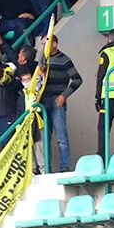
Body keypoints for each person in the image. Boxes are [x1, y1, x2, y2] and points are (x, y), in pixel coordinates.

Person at [42, 38, 84, 172]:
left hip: (56, 101)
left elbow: (77, 79)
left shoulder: (64, 59)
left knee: (61, 137)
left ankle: (65, 167)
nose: (44, 46)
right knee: (44, 138)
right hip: (42, 102)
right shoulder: (41, 60)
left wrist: (64, 95)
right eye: (43, 44)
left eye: (46, 43)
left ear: (54, 44)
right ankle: (46, 168)